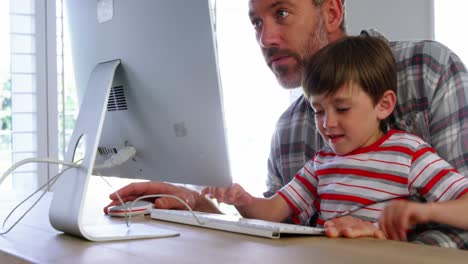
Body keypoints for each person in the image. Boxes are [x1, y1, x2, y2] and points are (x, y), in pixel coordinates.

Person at [104, 0, 468, 247]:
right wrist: (200, 209)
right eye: (257, 22)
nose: (266, 39)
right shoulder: (295, 137)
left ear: (331, 11)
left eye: (281, 13)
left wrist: (396, 230)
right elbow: (274, 230)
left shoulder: (426, 72)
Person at [202, 35, 468, 243]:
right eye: (318, 111)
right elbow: (273, 212)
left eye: (342, 109)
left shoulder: (408, 154)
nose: (328, 123)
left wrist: (426, 212)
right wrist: (242, 200)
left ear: (384, 105)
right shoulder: (321, 163)